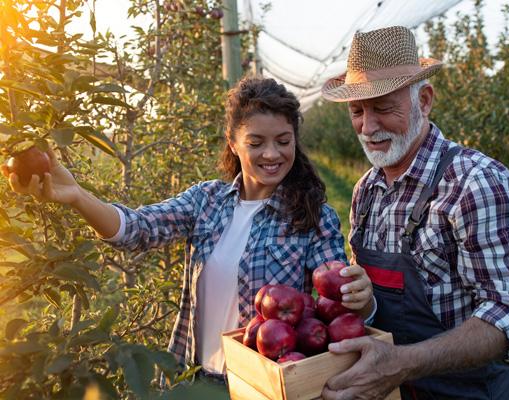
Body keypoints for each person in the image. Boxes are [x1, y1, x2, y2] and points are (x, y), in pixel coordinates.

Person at [2, 77, 374, 381]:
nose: (272, 154)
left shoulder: (311, 215)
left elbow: (332, 310)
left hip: (261, 382)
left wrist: (359, 297)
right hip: (191, 375)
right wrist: (78, 196)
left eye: (283, 141)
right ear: (233, 143)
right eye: (256, 143)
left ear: (295, 139)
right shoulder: (206, 202)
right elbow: (137, 229)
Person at [319, 26, 509, 399]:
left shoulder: (474, 183)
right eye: (357, 111)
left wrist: (401, 363)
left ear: (424, 100)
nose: (368, 128)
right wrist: (364, 302)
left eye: (384, 108)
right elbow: (375, 306)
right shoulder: (365, 192)